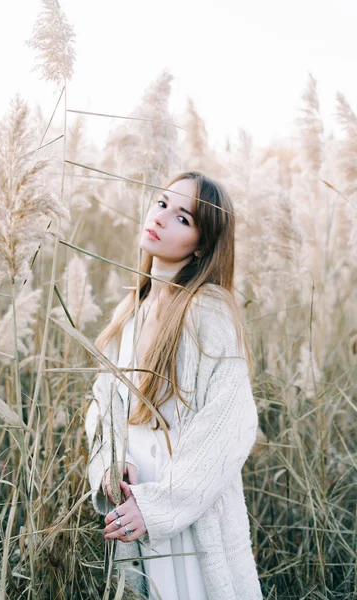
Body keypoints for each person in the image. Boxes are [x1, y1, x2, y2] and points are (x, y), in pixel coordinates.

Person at [85, 171, 263, 599]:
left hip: (186, 511)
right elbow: (104, 404)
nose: (161, 218)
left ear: (202, 244)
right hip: (133, 503)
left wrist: (160, 506)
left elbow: (230, 426)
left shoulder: (207, 312)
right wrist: (111, 461)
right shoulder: (133, 308)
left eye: (183, 217)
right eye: (162, 203)